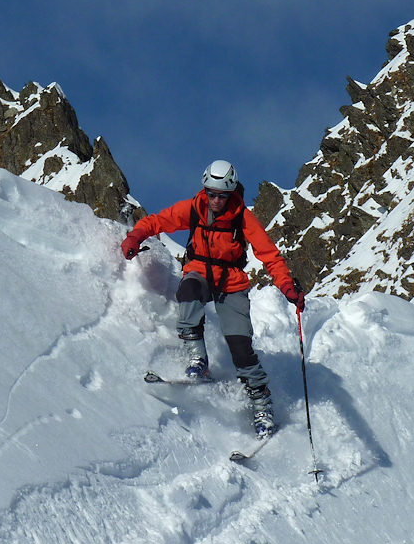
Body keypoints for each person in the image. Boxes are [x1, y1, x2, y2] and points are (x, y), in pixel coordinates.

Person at [121, 159, 305, 438]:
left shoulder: (243, 217)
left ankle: (261, 403)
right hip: (199, 271)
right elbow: (158, 221)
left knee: (241, 347)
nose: (216, 199)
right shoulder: (195, 208)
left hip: (232, 281)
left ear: (231, 194)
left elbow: (269, 255)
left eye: (222, 195)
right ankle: (197, 360)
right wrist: (135, 236)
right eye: (211, 193)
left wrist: (287, 287)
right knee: (188, 292)